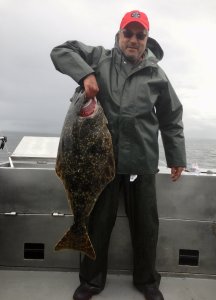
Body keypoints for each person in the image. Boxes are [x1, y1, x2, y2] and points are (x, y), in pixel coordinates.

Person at [51, 9, 186, 300]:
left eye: (140, 35)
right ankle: (91, 281)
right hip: (101, 162)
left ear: (147, 39)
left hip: (143, 160)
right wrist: (86, 73)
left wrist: (177, 157)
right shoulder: (99, 58)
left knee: (147, 226)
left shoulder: (157, 76)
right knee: (97, 223)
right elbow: (60, 51)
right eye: (129, 33)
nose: (133, 39)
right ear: (119, 34)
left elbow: (171, 117)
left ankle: (148, 282)